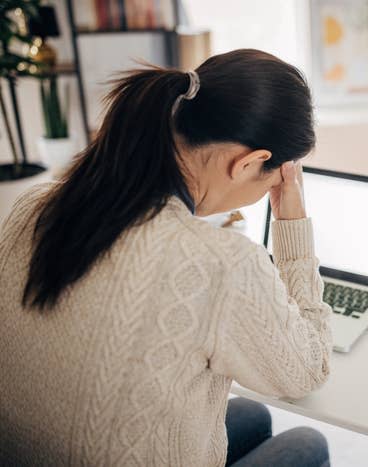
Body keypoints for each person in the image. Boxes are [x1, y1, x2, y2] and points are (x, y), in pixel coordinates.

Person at [0, 49, 332, 467]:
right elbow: (308, 370)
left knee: (253, 414)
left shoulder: (36, 204)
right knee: (307, 442)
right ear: (249, 162)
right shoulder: (223, 264)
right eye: (274, 180)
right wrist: (292, 226)